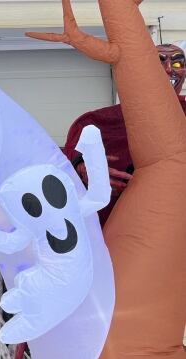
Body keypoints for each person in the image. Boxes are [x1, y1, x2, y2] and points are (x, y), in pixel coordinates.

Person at [63, 42, 186, 225]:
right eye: (157, 62)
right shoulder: (95, 122)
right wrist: (83, 169)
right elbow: (67, 168)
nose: (168, 70)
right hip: (120, 232)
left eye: (177, 64)